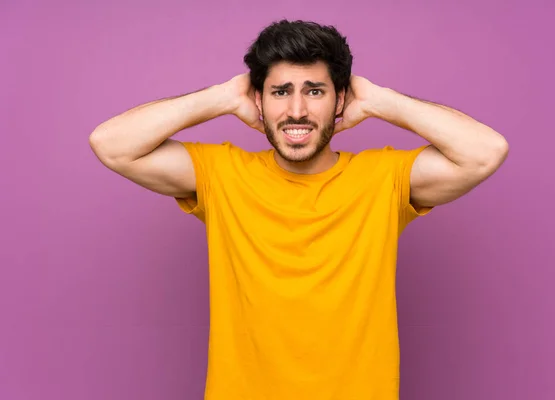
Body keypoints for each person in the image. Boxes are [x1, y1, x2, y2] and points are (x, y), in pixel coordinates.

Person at [90, 19, 508, 400]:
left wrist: (382, 101)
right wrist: (221, 97)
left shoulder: (384, 178)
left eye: (314, 91)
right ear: (259, 99)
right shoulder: (221, 174)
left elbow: (485, 152)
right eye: (280, 91)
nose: (296, 111)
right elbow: (112, 144)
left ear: (339, 99)